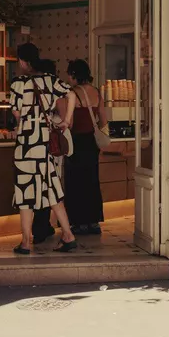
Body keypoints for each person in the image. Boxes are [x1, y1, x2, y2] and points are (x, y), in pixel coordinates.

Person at [9, 43, 77, 254]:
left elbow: (17, 113)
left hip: (26, 145)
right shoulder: (50, 80)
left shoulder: (18, 84)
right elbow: (71, 95)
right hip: (44, 144)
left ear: (22, 61)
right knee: (52, 190)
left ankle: (26, 241)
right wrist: (65, 121)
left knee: (24, 191)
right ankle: (68, 235)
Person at [63, 59, 107, 235]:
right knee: (91, 181)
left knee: (75, 182)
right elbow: (103, 120)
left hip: (76, 142)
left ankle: (78, 222)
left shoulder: (72, 93)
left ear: (74, 75)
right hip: (90, 142)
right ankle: (93, 221)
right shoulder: (96, 92)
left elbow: (70, 122)